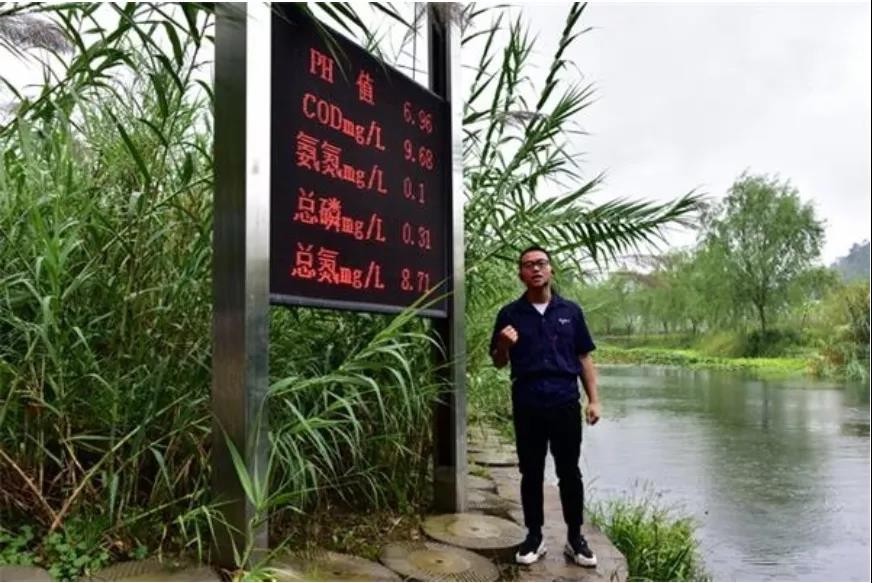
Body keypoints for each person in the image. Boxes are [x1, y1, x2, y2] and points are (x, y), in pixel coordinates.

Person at [490, 245, 601, 567]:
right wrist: (503, 345)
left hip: (565, 400)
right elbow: (498, 363)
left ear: (551, 270)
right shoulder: (509, 314)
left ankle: (575, 538)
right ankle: (534, 536)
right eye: (528, 265)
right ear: (520, 273)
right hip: (527, 400)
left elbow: (583, 357)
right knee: (531, 472)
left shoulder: (571, 311)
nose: (535, 269)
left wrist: (593, 400)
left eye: (541, 263)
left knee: (570, 472)